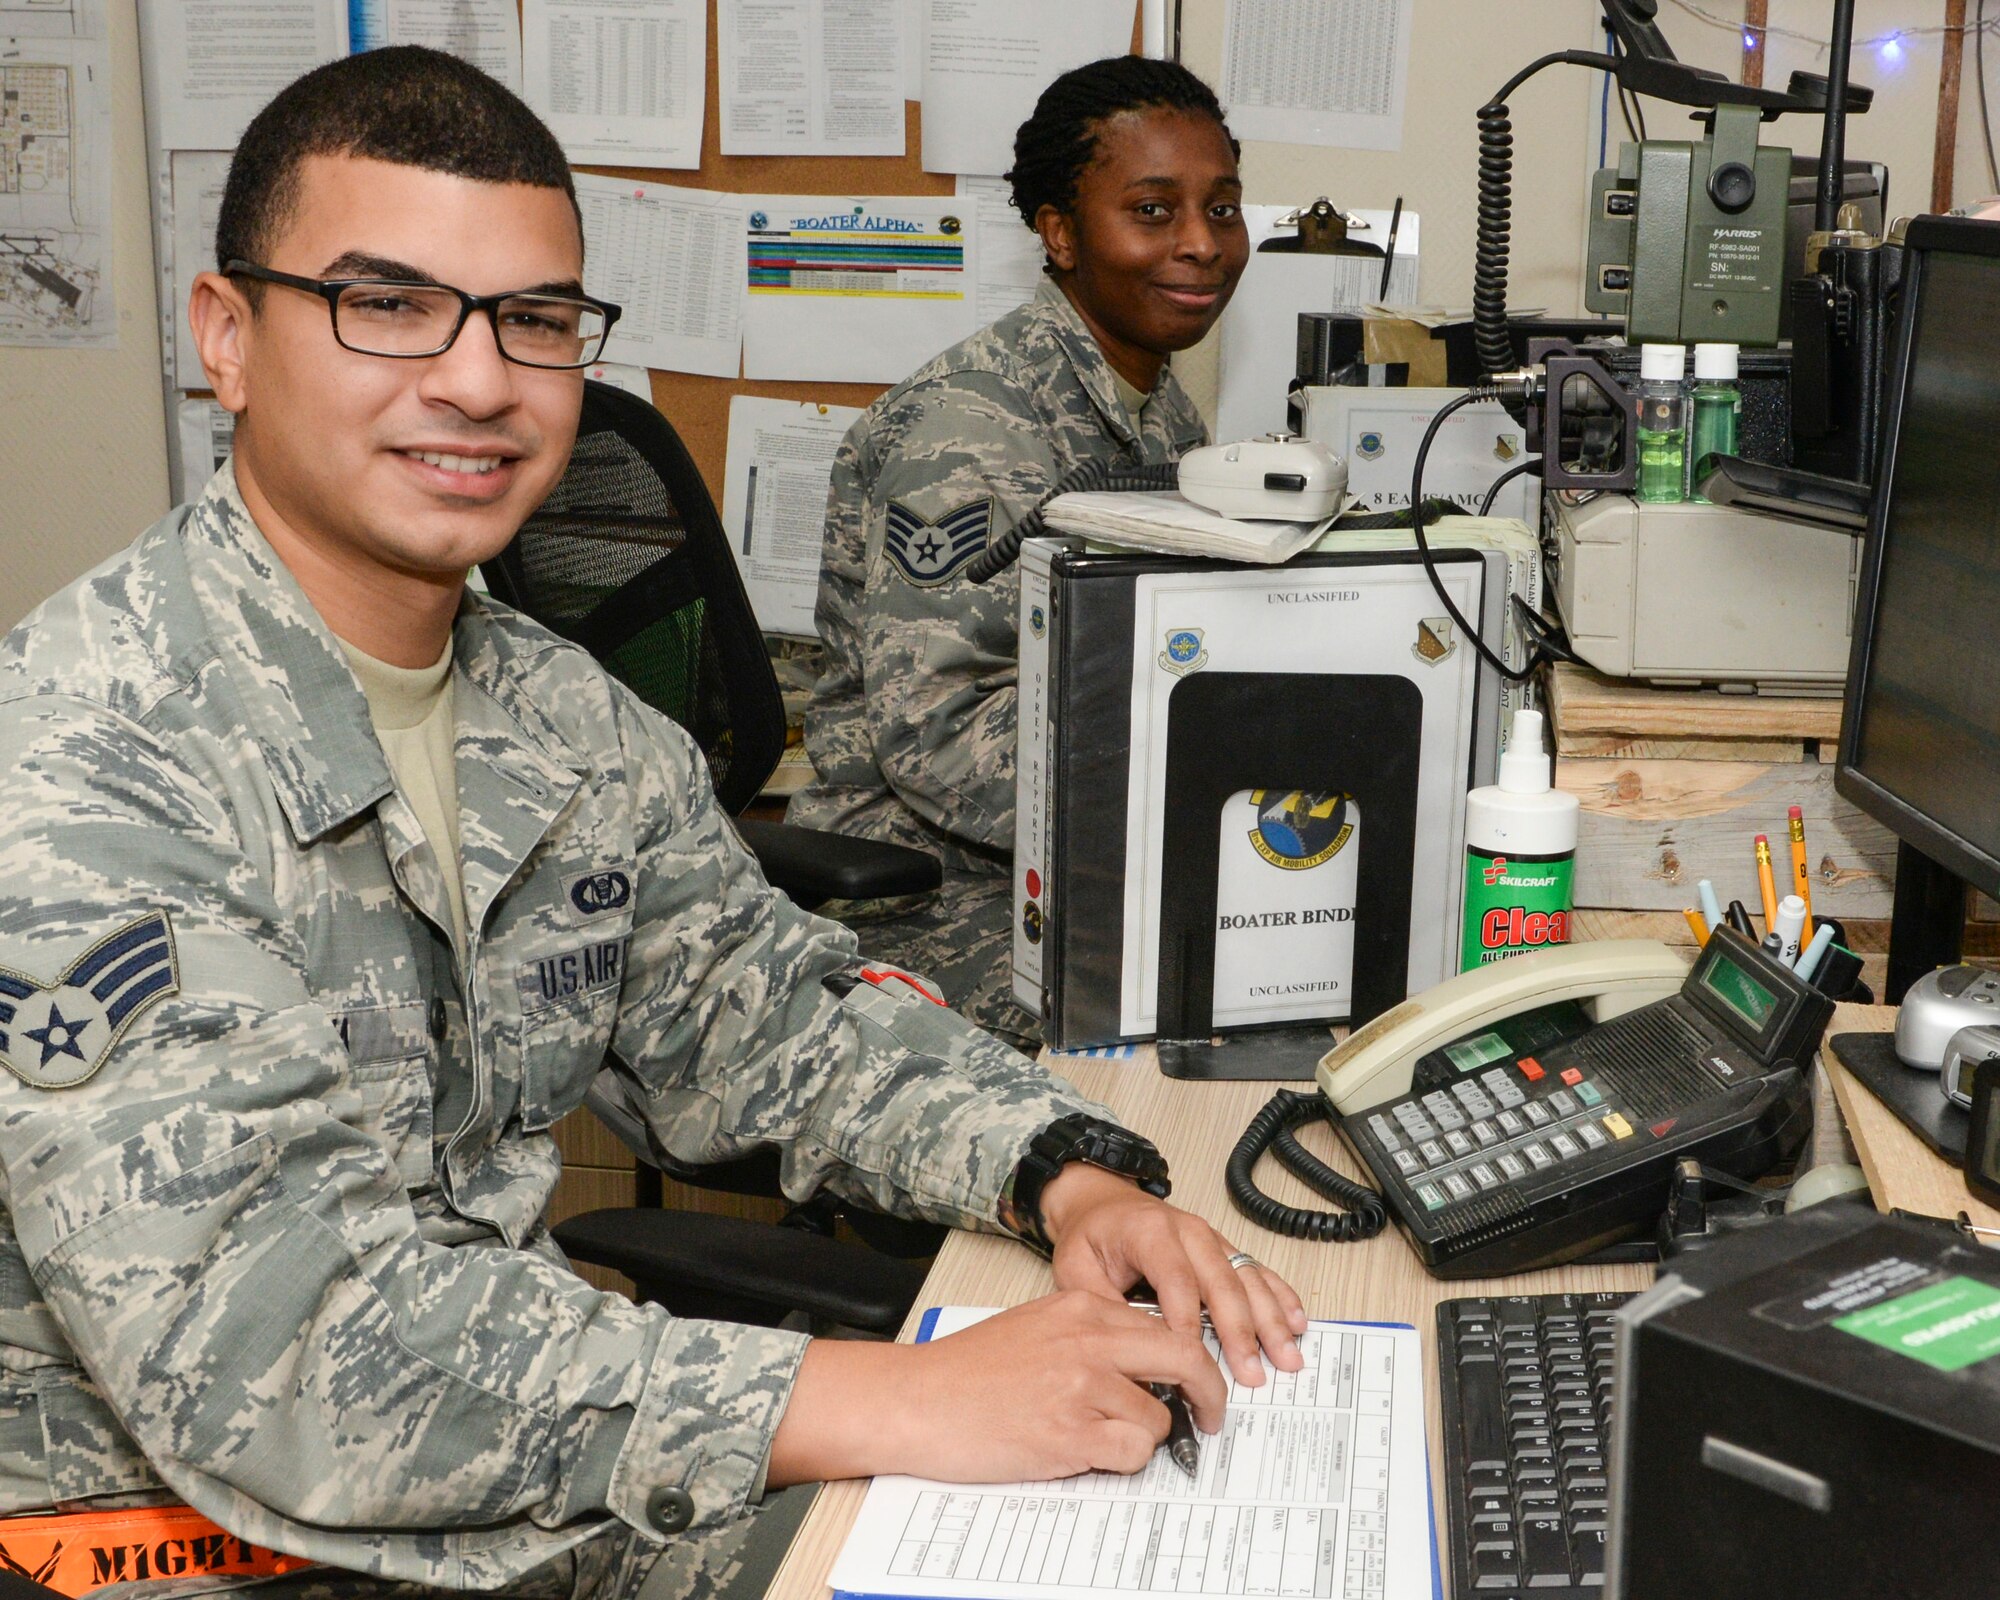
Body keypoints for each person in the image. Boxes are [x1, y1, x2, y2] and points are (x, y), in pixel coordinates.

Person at [0, 46, 1305, 1600]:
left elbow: (777, 1017)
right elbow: (280, 1350)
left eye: (535, 320)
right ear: (230, 335)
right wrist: (889, 1398)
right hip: (198, 1549)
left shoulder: (563, 717)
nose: (478, 380)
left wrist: (1061, 1172)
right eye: (390, 304)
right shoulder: (90, 754)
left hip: (530, 1476)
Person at [789, 58, 1250, 1051]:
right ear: (1059, 233)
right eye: (1153, 210)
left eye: (1220, 208)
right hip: (928, 879)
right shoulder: (976, 428)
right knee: (1185, 1004)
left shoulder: (1159, 410)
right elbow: (934, 734)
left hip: (1062, 847)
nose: (1201, 245)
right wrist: (1176, 807)